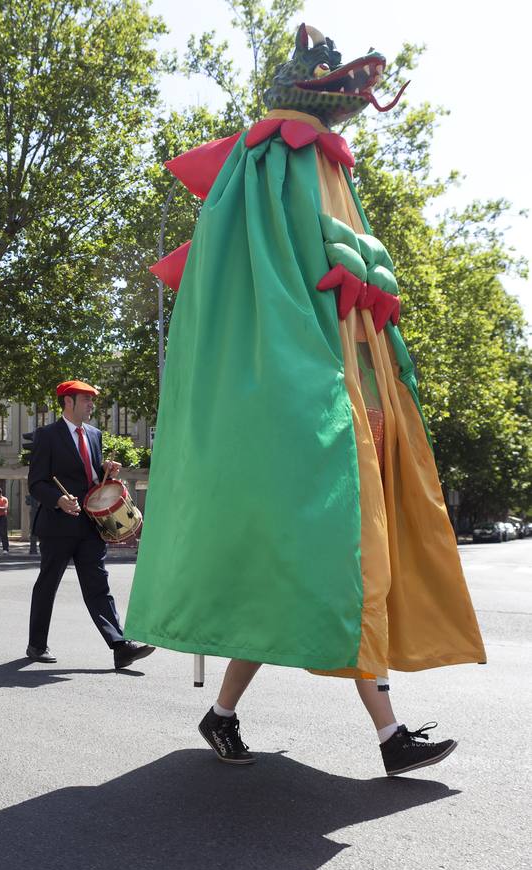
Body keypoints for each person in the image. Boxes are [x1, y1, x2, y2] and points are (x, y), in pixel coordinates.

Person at [124, 30, 485, 776]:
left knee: (291, 590)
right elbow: (285, 282)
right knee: (341, 574)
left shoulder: (316, 160)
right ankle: (389, 738)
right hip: (314, 418)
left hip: (353, 402)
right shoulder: (280, 153)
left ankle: (221, 714)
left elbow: (343, 281)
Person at [25, 380, 154, 669]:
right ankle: (36, 644)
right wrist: (58, 500)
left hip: (90, 525)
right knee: (48, 584)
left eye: (92, 400)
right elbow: (36, 482)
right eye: (86, 400)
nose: (91, 405)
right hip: (57, 524)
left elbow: (90, 477)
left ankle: (120, 646)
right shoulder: (47, 435)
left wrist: (104, 470)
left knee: (98, 585)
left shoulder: (95, 435)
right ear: (68, 402)